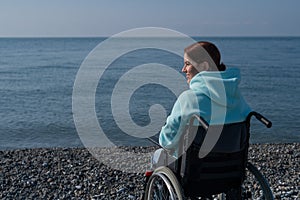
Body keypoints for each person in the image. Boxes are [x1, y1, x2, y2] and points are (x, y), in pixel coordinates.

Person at [152, 41, 251, 168]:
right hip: (230, 167)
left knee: (158, 155)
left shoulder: (189, 99)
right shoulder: (236, 96)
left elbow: (167, 141)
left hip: (195, 170)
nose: (183, 70)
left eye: (187, 64)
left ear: (204, 66)